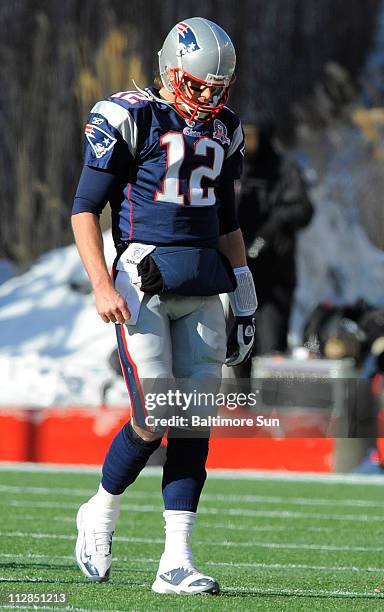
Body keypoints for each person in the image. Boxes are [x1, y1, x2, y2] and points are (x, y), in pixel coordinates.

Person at [71, 18, 257, 595]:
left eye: (216, 87)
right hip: (142, 282)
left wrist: (245, 292)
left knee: (194, 419)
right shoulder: (131, 116)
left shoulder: (225, 129)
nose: (207, 96)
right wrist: (101, 284)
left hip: (202, 281)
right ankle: (100, 509)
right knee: (156, 416)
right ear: (170, 69)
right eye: (197, 84)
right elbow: (85, 209)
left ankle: (176, 561)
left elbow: (226, 220)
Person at [236, 124, 314, 374]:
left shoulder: (284, 170)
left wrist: (272, 228)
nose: (248, 142)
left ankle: (270, 408)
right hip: (238, 274)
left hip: (274, 276)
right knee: (238, 347)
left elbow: (303, 209)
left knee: (270, 347)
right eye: (244, 136)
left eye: (252, 136)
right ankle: (241, 406)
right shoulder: (232, 167)